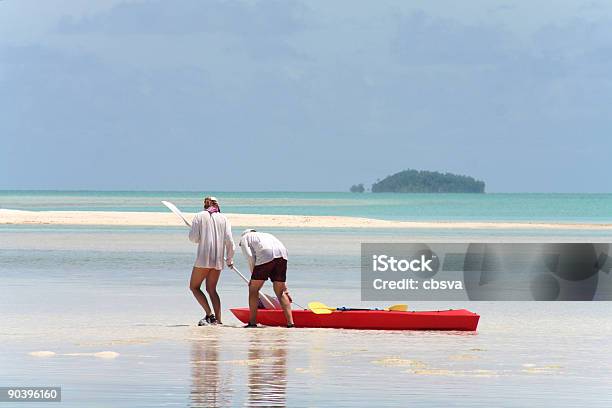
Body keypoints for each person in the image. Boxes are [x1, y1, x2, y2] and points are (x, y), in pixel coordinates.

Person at [188, 196, 234, 326]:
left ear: (204, 205)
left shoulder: (199, 216)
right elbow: (230, 241)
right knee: (212, 289)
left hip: (203, 259)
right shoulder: (224, 218)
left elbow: (193, 238)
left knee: (194, 287)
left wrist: (199, 235)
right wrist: (230, 259)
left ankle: (210, 314)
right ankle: (218, 321)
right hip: (218, 260)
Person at [235, 229, 294, 328]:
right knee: (280, 292)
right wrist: (286, 290)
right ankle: (290, 323)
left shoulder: (245, 238)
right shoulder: (266, 235)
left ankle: (252, 322)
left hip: (266, 253)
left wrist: (253, 276)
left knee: (253, 290)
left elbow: (250, 257)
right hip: (283, 254)